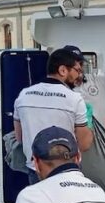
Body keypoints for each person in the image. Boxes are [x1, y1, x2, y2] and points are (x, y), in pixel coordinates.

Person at [14, 47, 94, 184]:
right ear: (63, 70)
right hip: (67, 171)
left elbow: (19, 138)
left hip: (36, 170)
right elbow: (85, 144)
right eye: (77, 70)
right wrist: (89, 125)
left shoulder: (23, 96)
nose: (79, 76)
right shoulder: (74, 99)